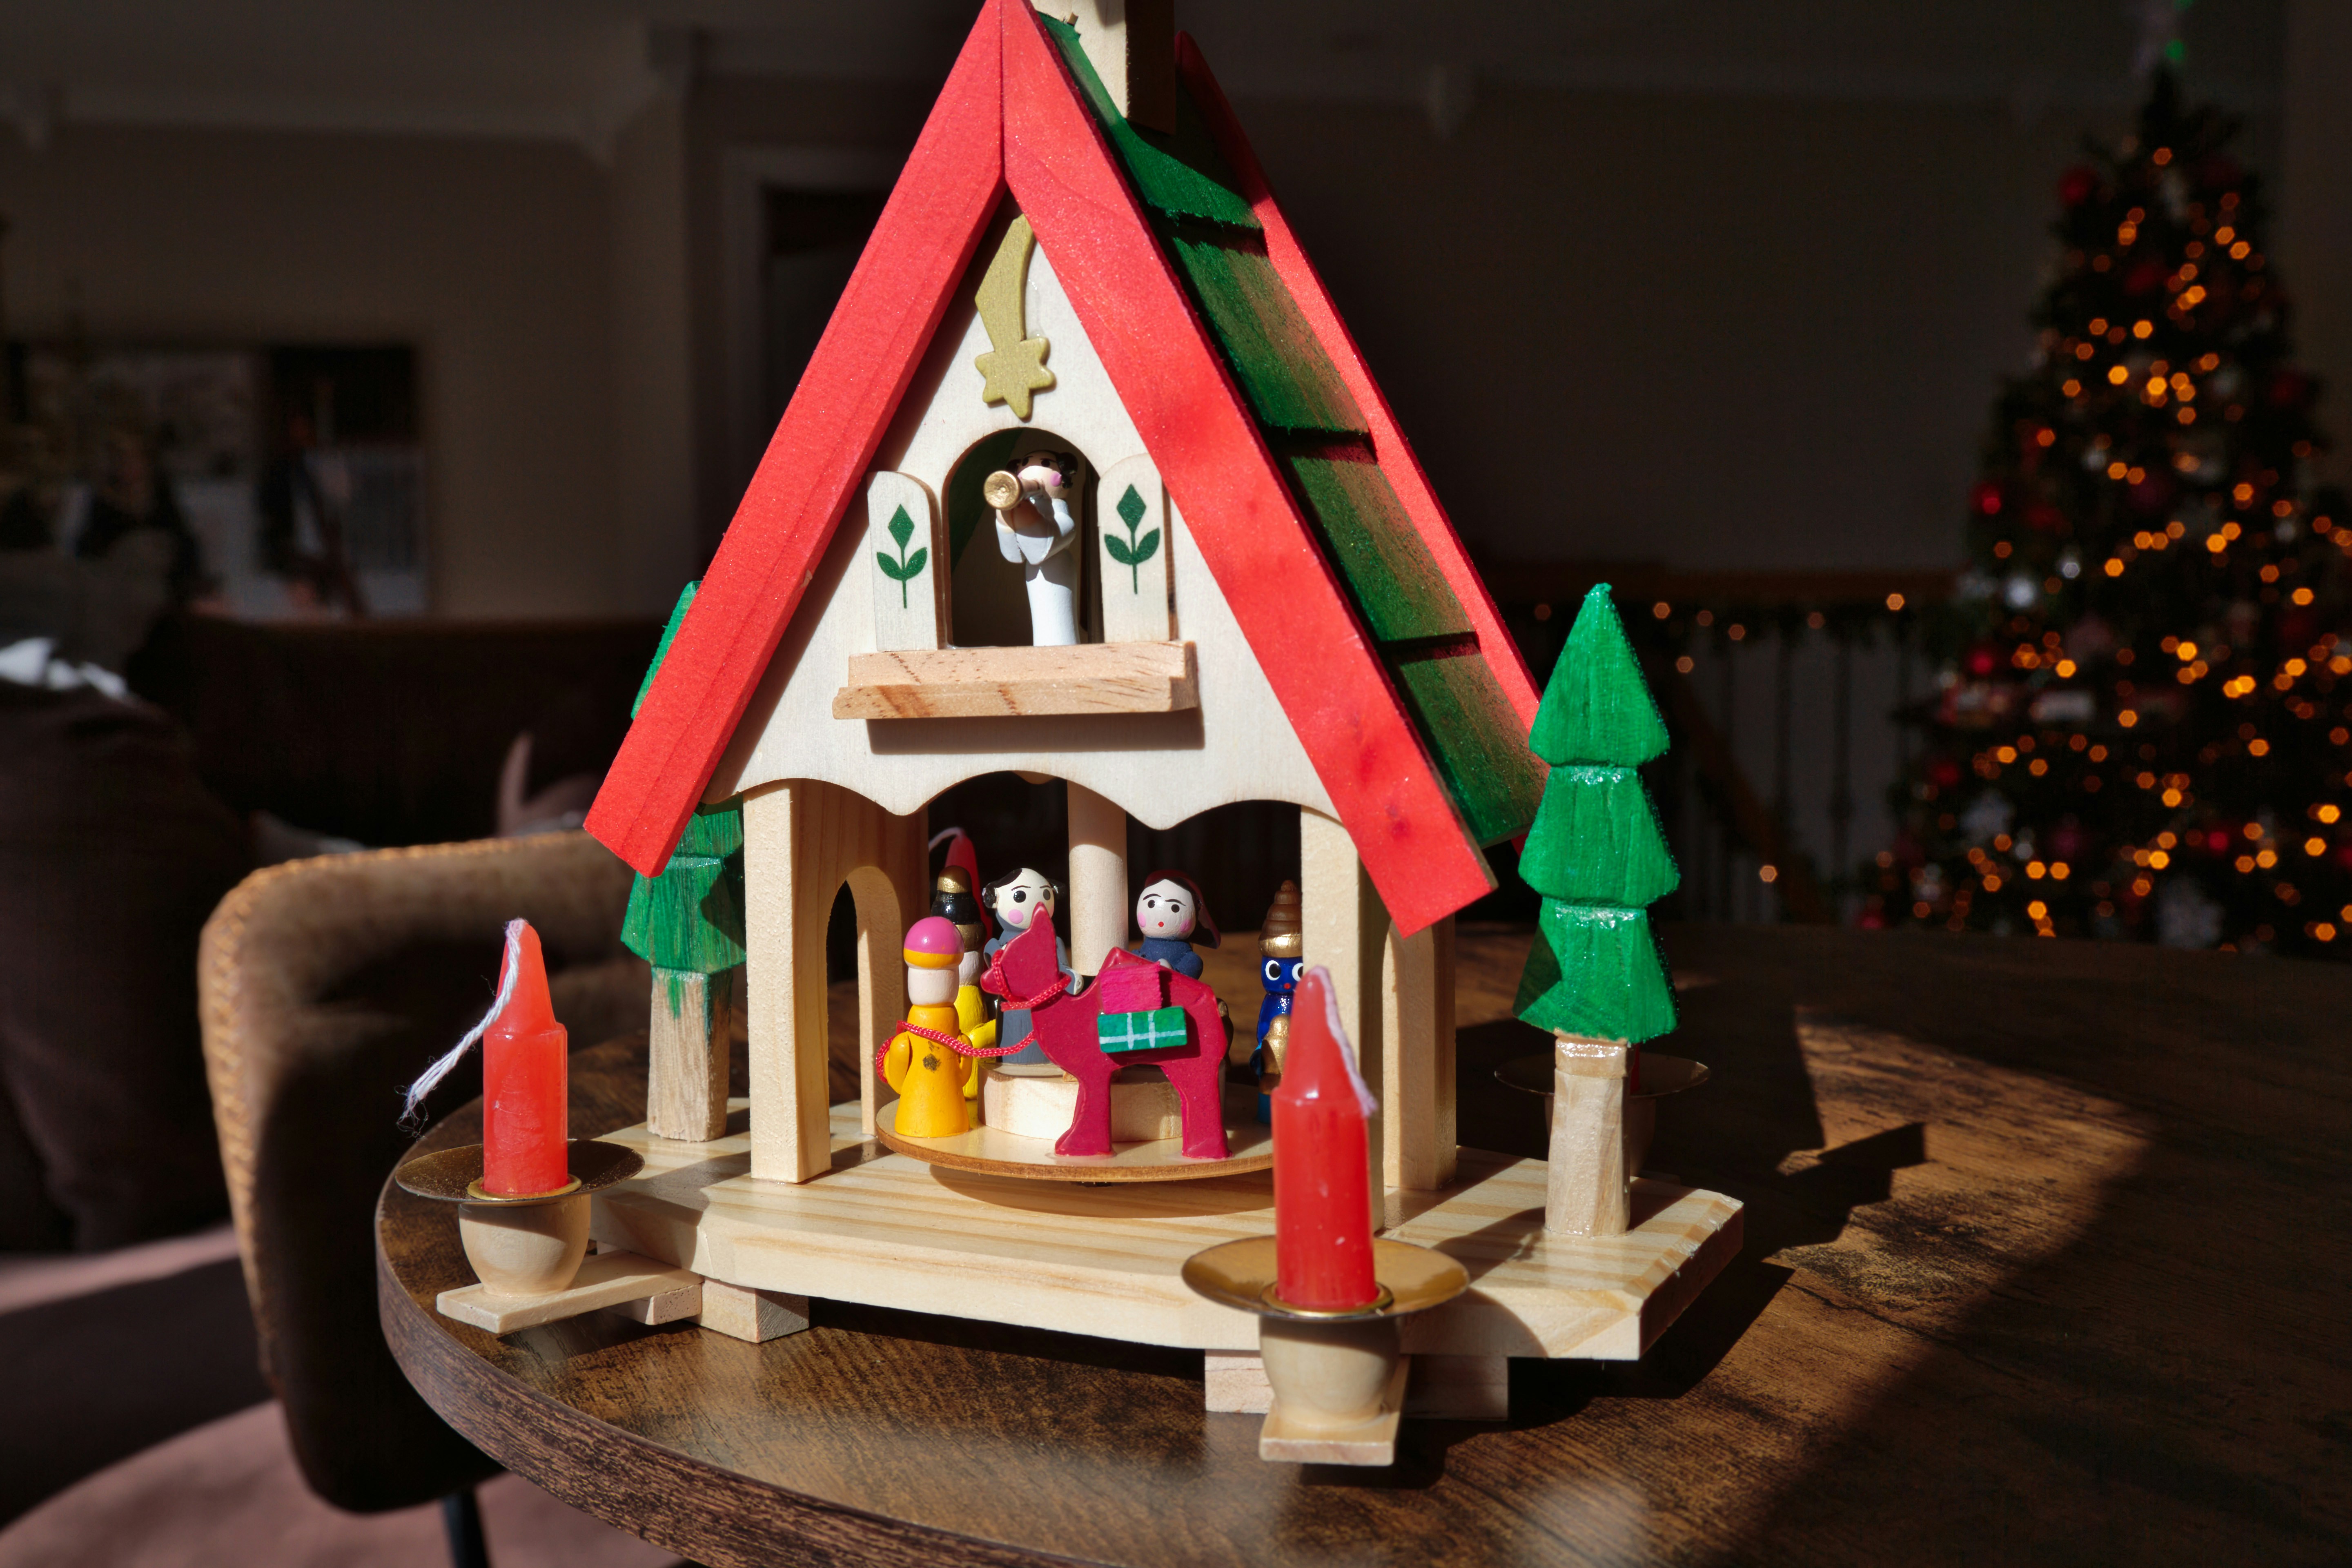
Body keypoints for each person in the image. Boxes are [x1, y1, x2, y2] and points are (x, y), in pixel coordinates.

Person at [979, 866, 1072, 1070]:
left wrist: (1070, 978)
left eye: (1046, 894)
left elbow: (1064, 970)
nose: (1037, 904)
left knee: (1045, 1047)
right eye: (1021, 896)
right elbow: (995, 972)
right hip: (1014, 1013)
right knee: (1013, 1050)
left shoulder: (1053, 942)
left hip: (1047, 1010)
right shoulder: (998, 945)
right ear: (995, 900)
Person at [1132, 869, 1218, 980]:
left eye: (1175, 908)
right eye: (1151, 904)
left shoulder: (1187, 954)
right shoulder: (1147, 945)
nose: (1162, 916)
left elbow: (1194, 964)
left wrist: (1172, 972)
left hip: (1176, 988)